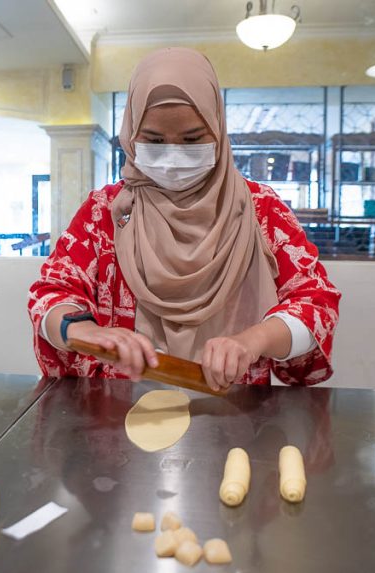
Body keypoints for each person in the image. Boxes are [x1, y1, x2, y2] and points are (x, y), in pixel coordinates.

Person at [28, 47, 340, 391]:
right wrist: (82, 330)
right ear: (132, 136)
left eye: (192, 140)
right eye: (154, 140)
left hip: (235, 412)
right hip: (122, 416)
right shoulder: (105, 212)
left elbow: (316, 302)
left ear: (217, 132)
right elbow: (53, 293)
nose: (173, 157)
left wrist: (253, 340)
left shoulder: (260, 209)